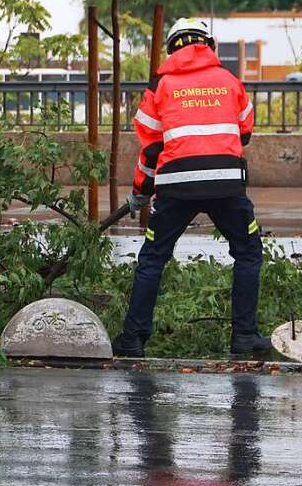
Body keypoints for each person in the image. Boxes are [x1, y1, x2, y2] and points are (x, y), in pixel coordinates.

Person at [111, 18, 272, 358]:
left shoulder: (160, 87)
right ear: (208, 44)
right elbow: (244, 134)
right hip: (226, 185)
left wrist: (140, 190)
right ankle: (244, 338)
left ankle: (133, 340)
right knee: (247, 252)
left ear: (172, 49)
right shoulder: (229, 81)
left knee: (153, 258)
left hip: (174, 186)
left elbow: (151, 149)